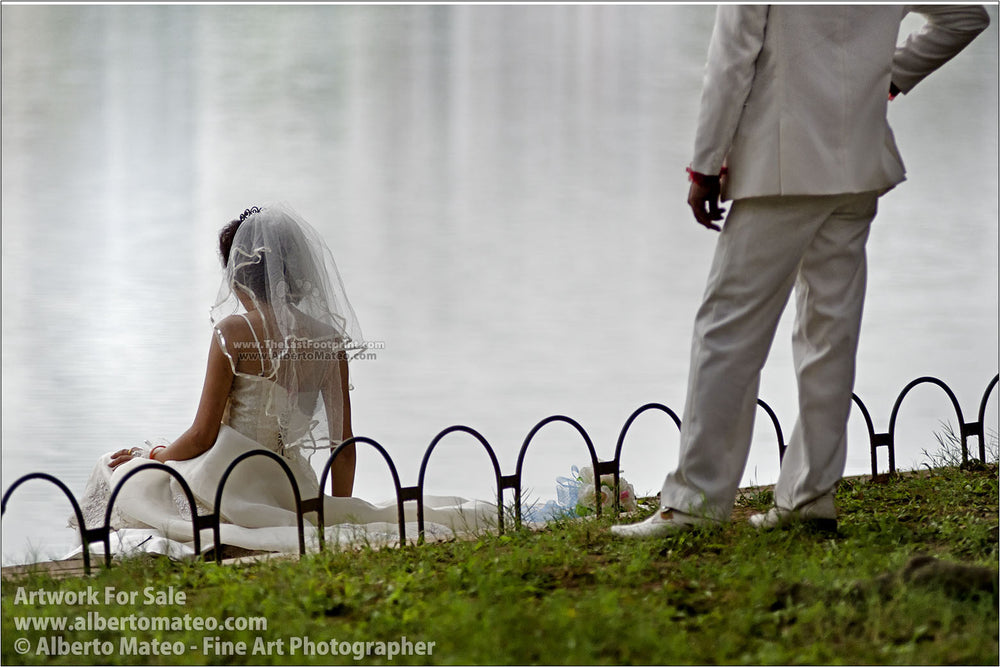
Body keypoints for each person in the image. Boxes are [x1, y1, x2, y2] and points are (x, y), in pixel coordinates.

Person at [613, 5, 990, 538]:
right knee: (828, 334)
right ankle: (810, 498)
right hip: (858, 159)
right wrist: (890, 77)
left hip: (780, 164)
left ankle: (694, 505)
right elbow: (966, 18)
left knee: (728, 332)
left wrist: (705, 165)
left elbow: (730, 60)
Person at [71, 204, 492, 557]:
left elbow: (202, 436)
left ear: (237, 273)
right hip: (292, 486)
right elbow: (343, 446)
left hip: (227, 481)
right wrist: (335, 511)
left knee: (117, 472)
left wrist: (156, 457)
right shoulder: (329, 341)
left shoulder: (232, 333)